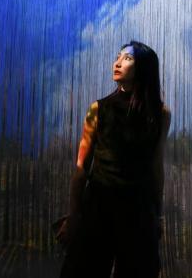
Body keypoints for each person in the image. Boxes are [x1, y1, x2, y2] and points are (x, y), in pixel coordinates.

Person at [57, 41, 171, 277]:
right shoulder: (98, 109)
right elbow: (81, 168)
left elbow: (156, 166)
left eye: (127, 59)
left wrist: (158, 215)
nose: (117, 63)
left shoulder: (160, 113)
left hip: (139, 212)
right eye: (117, 57)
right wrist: (74, 215)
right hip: (99, 207)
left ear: (143, 68)